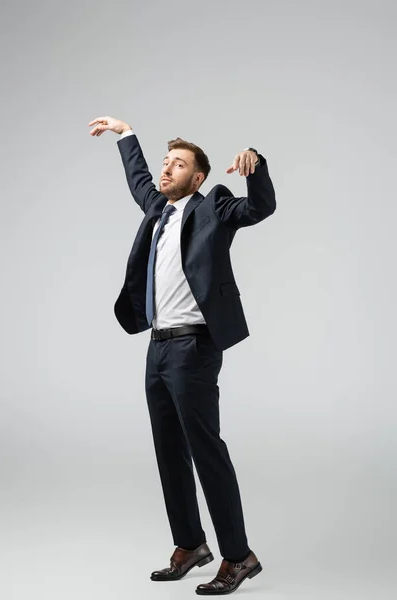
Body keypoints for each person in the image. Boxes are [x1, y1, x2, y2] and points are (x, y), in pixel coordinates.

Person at [88, 115, 276, 595]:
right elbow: (139, 180)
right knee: (168, 452)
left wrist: (255, 165)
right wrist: (126, 134)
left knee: (205, 450)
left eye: (178, 165)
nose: (167, 171)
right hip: (157, 347)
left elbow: (259, 209)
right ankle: (190, 544)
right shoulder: (158, 210)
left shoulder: (213, 206)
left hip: (194, 346)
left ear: (198, 177)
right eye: (165, 163)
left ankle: (239, 555)